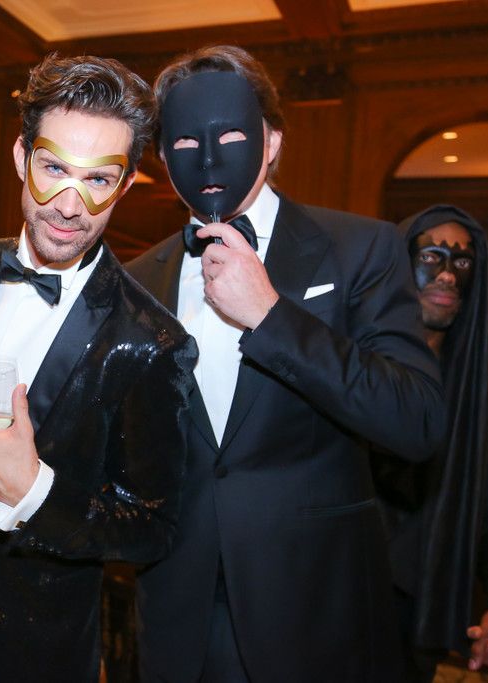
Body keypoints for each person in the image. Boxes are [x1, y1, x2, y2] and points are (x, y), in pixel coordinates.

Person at [126, 45, 445, 682]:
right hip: (179, 615)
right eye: (184, 142)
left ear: (271, 141)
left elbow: (417, 420)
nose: (209, 159)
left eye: (232, 137)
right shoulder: (135, 279)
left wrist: (271, 316)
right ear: (162, 156)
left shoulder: (362, 249)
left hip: (319, 610)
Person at [0, 54, 197, 683]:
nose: (70, 204)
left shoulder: (151, 340)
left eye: (98, 179)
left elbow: (152, 528)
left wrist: (33, 491)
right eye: (54, 168)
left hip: (28, 642)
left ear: (124, 187)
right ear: (22, 158)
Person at [374, 204, 488, 682]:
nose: (448, 275)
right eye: (432, 257)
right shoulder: (353, 363)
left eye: (463, 262)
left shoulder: (481, 393)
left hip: (416, 623)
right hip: (327, 605)